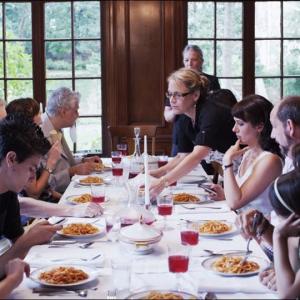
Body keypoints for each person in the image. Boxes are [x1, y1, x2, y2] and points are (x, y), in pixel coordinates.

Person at [236, 96, 300, 290]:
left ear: (289, 126)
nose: (271, 135)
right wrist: (261, 224)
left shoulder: (275, 161)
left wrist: (289, 272)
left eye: (274, 126)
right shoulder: (290, 159)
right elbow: (289, 230)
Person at [4, 98, 103, 219]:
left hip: (49, 201)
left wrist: (66, 203)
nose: (41, 120)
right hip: (36, 213)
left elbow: (23, 201)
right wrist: (51, 163)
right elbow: (33, 193)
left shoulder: (53, 132)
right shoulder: (25, 147)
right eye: (37, 122)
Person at [150, 67, 236, 196]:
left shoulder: (211, 112)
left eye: (178, 95)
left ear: (195, 95)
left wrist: (163, 182)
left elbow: (197, 155)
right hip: (230, 168)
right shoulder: (184, 115)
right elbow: (182, 155)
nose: (172, 100)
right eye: (170, 94)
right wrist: (157, 173)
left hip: (249, 166)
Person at [0, 114, 62, 277]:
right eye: (31, 168)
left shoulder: (8, 191)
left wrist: (30, 238)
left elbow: (13, 251)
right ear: (11, 159)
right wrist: (28, 240)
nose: (33, 177)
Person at [209, 95, 282, 215]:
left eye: (240, 124)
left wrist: (228, 162)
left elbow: (235, 203)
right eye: (234, 123)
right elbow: (239, 198)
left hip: (259, 230)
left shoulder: (270, 160)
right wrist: (225, 195)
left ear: (259, 126)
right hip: (241, 222)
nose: (234, 129)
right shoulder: (247, 152)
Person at [41, 87, 101, 193]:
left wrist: (83, 161)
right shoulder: (40, 134)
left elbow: (62, 162)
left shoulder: (55, 128)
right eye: (75, 111)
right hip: (54, 199)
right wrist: (70, 172)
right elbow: (43, 184)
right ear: (63, 111)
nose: (78, 115)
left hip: (68, 191)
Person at [164, 45, 221, 157]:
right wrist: (178, 108)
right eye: (186, 60)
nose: (189, 63)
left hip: (203, 132)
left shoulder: (212, 81)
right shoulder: (177, 83)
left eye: (193, 59)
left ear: (201, 61)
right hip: (182, 134)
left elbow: (213, 111)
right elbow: (167, 116)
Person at [268, 168, 300, 298]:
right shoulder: (294, 236)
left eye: (277, 212)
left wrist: (278, 236)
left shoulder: (285, 235)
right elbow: (288, 276)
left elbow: (286, 295)